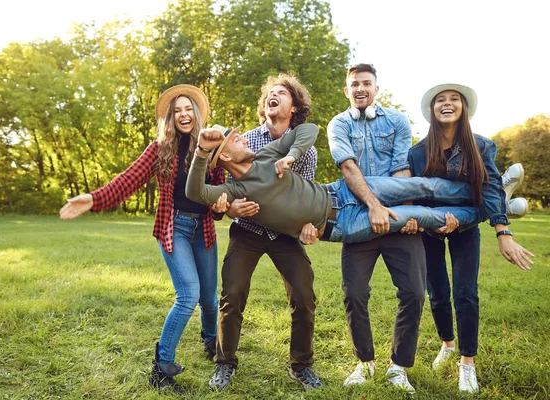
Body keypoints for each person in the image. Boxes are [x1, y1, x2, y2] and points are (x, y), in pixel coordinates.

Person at [59, 84, 227, 393]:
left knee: (209, 298)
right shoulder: (159, 149)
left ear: (197, 113)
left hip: (203, 229)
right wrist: (93, 199)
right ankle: (162, 367)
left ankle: (209, 341)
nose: (183, 114)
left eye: (188, 108)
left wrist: (219, 207)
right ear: (170, 118)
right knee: (188, 294)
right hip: (173, 226)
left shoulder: (213, 148)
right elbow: (127, 181)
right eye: (176, 111)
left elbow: (219, 194)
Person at [408, 82, 534, 393]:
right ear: (432, 110)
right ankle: (447, 345)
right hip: (430, 231)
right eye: (440, 100)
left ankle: (467, 363)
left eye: (454, 99)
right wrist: (432, 222)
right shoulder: (417, 152)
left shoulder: (482, 146)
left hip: (466, 229)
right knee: (436, 293)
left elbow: (488, 189)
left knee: (465, 294)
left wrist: (503, 231)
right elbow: (415, 194)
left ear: (463, 109)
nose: (447, 103)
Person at [187, 124, 489, 250]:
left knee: (420, 185)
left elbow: (308, 129)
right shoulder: (235, 191)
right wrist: (201, 150)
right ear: (225, 155)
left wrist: (291, 155)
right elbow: (195, 193)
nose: (244, 138)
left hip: (342, 190)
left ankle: (488, 195)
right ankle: (484, 211)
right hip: (341, 223)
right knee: (421, 216)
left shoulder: (267, 154)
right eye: (236, 140)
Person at [207, 74, 324, 391]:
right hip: (247, 230)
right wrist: (230, 209)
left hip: (283, 236)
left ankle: (301, 366)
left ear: (294, 106)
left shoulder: (306, 152)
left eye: (281, 93)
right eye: (269, 93)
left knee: (304, 295)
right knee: (232, 294)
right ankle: (224, 365)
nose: (273, 96)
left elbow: (301, 201)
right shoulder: (245, 140)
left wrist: (309, 228)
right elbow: (223, 191)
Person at [326, 63, 425, 392]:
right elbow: (349, 168)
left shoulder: (397, 121)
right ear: (347, 90)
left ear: (376, 88)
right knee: (354, 293)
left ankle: (398, 367)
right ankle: (365, 362)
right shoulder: (338, 124)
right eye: (354, 84)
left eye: (366, 83)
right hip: (357, 219)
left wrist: (405, 213)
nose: (360, 89)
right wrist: (373, 207)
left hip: (395, 219)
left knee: (413, 291)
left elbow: (401, 168)